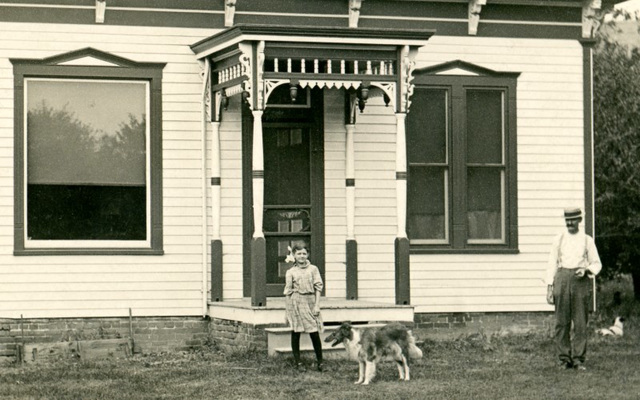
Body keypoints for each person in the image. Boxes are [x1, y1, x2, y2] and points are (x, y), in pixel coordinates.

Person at [545, 208, 602, 371]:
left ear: (579, 220)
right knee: (561, 322)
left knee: (580, 322)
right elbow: (551, 264)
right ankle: (564, 359)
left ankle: (578, 359)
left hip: (580, 280)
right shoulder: (559, 239)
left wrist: (586, 270)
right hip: (562, 278)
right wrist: (550, 288)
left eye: (573, 220)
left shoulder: (587, 240)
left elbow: (597, 263)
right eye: (567, 220)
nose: (570, 223)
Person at [283, 242, 324, 372]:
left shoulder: (313, 269)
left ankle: (320, 362)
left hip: (310, 300)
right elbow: (288, 292)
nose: (301, 256)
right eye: (299, 253)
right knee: (296, 331)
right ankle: (298, 362)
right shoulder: (290, 272)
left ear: (308, 255)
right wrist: (287, 310)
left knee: (313, 331)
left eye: (304, 253)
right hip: (295, 302)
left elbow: (318, 287)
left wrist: (317, 305)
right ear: (294, 255)